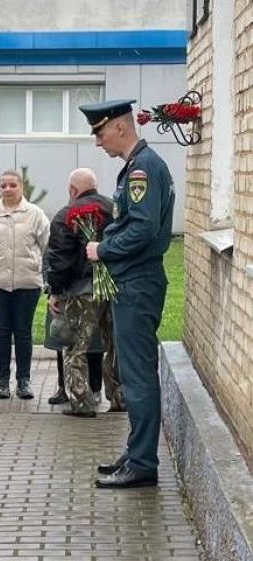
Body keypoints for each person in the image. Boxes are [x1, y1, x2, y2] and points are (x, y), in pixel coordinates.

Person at [81, 98, 175, 489]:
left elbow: (143, 228)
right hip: (132, 280)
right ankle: (137, 453)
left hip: (137, 282)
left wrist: (102, 248)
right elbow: (131, 224)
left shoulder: (142, 170)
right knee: (132, 373)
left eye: (101, 133)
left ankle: (143, 463)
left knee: (137, 376)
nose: (98, 142)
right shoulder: (136, 167)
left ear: (120, 127)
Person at [44, 167, 119, 417]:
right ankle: (118, 397)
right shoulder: (114, 208)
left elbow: (59, 257)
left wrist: (55, 291)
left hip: (81, 290)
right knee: (114, 344)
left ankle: (81, 402)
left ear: (72, 190)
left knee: (76, 346)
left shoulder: (67, 214)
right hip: (113, 288)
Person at [0, 170, 50, 400]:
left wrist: (38, 266)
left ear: (21, 188)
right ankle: (2, 382)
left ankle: (24, 381)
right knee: (1, 331)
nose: (8, 189)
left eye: (12, 185)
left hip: (27, 282)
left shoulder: (36, 215)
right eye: (4, 185)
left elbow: (45, 244)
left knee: (23, 331)